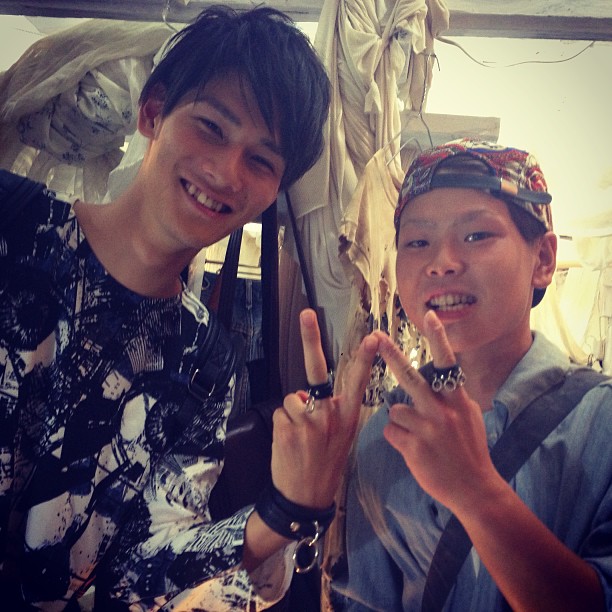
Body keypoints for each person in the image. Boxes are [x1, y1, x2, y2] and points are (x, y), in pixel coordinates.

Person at [0, 6, 379, 610]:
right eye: (211, 127)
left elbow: (141, 571)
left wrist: (290, 509)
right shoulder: (15, 223)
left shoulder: (205, 361)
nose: (227, 173)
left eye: (261, 160)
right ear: (153, 113)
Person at [330, 138, 612, 611]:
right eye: (417, 242)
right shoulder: (388, 432)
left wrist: (476, 491)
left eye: (477, 235)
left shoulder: (600, 424)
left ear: (543, 259)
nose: (441, 263)